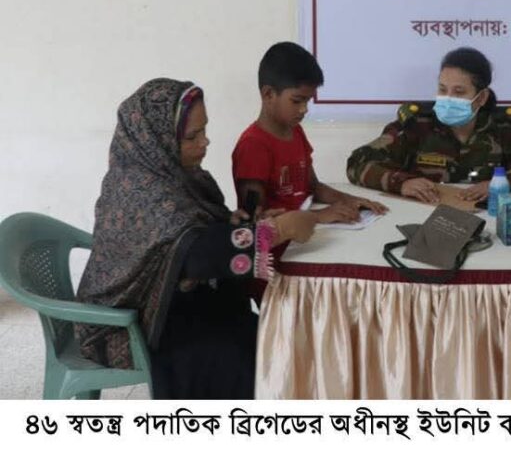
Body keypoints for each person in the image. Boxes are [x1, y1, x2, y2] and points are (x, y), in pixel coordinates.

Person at [75, 79, 351, 398]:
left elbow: (197, 229)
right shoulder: (142, 191)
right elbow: (195, 255)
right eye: (192, 136)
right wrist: (281, 229)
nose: (205, 142)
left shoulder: (181, 176)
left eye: (204, 130)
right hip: (134, 322)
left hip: (180, 305)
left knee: (274, 340)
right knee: (244, 361)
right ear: (157, 140)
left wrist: (246, 224)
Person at [347, 47, 511, 202]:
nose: (448, 98)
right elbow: (357, 163)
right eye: (442, 89)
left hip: (490, 223)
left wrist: (503, 183)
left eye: (459, 92)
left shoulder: (506, 129)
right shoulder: (415, 126)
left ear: (481, 98)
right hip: (423, 219)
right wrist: (402, 183)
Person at [232, 42, 387, 216]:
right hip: (286, 234)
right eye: (297, 101)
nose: (304, 109)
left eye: (308, 101)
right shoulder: (252, 146)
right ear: (268, 94)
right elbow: (254, 219)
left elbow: (313, 186)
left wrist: (348, 199)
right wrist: (320, 216)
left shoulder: (296, 131)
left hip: (309, 229)